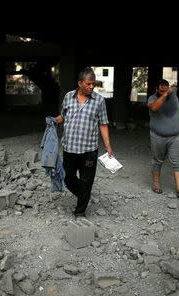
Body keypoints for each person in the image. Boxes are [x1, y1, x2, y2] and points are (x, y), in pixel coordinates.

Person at [53, 67, 113, 217]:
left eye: (93, 84)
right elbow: (63, 116)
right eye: (88, 84)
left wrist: (108, 146)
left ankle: (80, 212)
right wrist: (53, 121)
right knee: (68, 177)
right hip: (70, 148)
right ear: (80, 83)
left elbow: (103, 124)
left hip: (89, 151)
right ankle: (84, 194)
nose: (92, 87)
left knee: (87, 181)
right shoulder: (68, 97)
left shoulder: (99, 101)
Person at [147, 79, 179, 200]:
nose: (164, 92)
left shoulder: (173, 98)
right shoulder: (152, 99)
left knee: (178, 161)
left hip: (175, 136)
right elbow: (154, 108)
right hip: (158, 136)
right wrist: (166, 94)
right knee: (157, 160)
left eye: (166, 90)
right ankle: (156, 184)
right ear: (156, 90)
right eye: (161, 90)